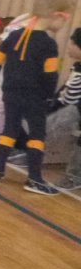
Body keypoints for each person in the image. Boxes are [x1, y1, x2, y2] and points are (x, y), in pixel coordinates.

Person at [0, 0, 74, 194]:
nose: (64, 23)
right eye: (65, 18)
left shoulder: (14, 36)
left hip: (11, 93)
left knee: (9, 130)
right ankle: (34, 179)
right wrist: (49, 97)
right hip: (34, 96)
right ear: (55, 15)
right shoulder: (48, 44)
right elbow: (50, 75)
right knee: (37, 135)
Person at [51, 27, 81, 189]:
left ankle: (74, 177)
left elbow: (69, 98)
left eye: (73, 44)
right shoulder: (77, 67)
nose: (69, 47)